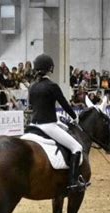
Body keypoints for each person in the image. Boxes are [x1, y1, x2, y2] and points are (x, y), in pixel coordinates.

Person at [28, 54, 86, 192]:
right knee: (77, 147)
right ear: (50, 69)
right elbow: (64, 104)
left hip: (33, 126)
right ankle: (73, 182)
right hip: (48, 125)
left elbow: (32, 105)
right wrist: (74, 117)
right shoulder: (52, 86)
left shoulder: (32, 86)